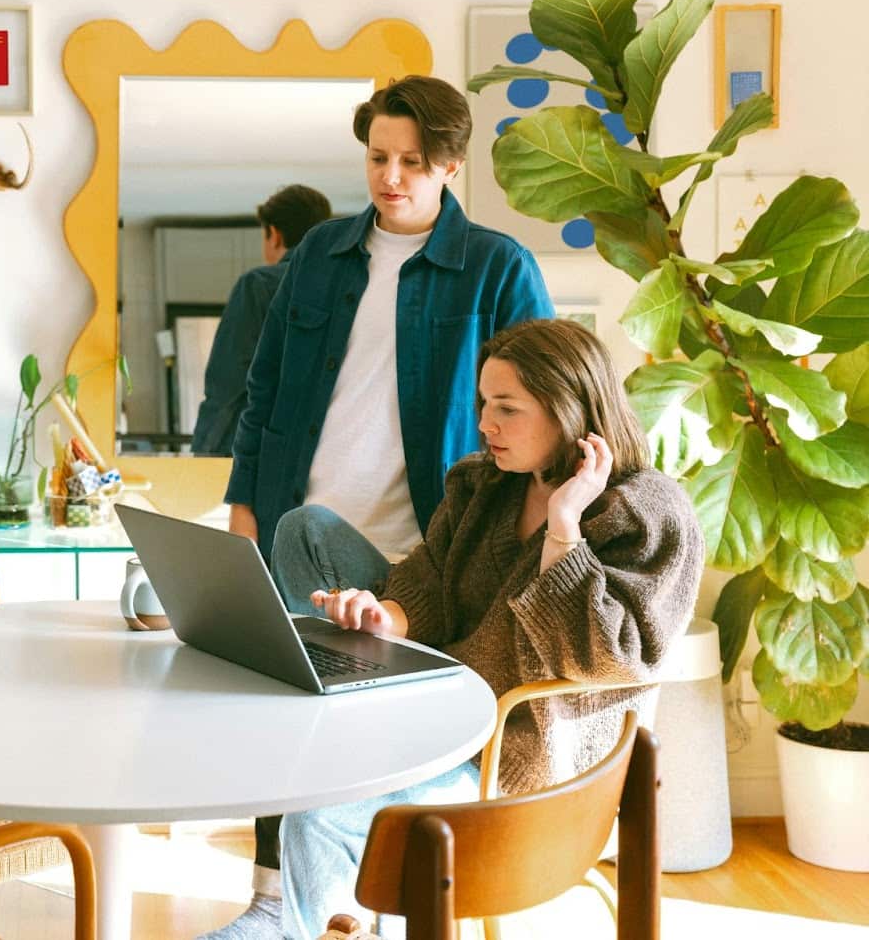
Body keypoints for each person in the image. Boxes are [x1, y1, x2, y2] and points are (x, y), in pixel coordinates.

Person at [205, 76, 553, 940]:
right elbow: (264, 392)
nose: (390, 177)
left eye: (410, 161)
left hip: (424, 554)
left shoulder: (498, 267)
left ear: (450, 164)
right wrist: (243, 510)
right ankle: (278, 902)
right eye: (376, 158)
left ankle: (371, 908)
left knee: (377, 740)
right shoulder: (320, 254)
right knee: (285, 716)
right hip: (306, 535)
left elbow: (544, 404)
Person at [271, 319, 703, 939]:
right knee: (305, 529)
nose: (485, 424)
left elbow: (606, 660)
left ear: (569, 410)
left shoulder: (650, 515)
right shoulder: (485, 484)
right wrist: (385, 616)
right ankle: (349, 917)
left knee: (316, 817)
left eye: (507, 408)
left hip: (521, 748)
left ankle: (340, 919)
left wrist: (565, 526)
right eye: (483, 404)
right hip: (442, 696)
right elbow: (433, 575)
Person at [192, 185, 333, 456]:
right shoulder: (349, 287)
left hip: (259, 450)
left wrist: (203, 451)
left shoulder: (258, 286)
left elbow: (227, 379)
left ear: (274, 234)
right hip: (329, 453)